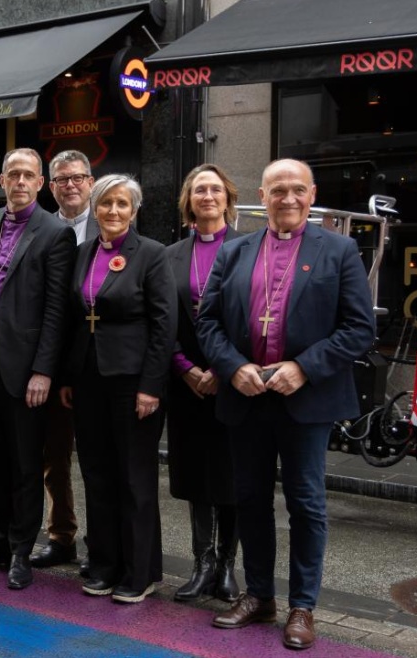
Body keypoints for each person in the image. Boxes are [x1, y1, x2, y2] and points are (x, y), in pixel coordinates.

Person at [197, 159, 375, 650]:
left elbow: (360, 328)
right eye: (278, 190)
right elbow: (207, 321)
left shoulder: (339, 251)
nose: (288, 199)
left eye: (297, 190)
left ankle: (302, 606)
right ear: (263, 194)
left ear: (312, 194)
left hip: (305, 400)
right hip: (247, 395)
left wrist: (305, 366)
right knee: (250, 499)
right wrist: (233, 367)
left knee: (306, 504)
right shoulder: (234, 252)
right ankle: (259, 596)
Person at [0, 148, 75, 590]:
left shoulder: (55, 232)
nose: (21, 182)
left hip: (26, 369)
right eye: (14, 175)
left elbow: (55, 311)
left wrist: (44, 370)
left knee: (25, 462)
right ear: (2, 180)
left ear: (41, 183)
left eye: (29, 175)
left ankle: (22, 551)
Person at [59, 174, 176, 604]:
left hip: (133, 383)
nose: (112, 211)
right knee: (97, 474)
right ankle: (105, 562)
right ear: (95, 205)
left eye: (122, 204)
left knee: (134, 477)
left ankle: (140, 571)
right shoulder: (83, 252)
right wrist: (70, 377)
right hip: (88, 379)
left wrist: (151, 386)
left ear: (134, 210)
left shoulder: (152, 255)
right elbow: (75, 317)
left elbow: (165, 325)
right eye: (105, 203)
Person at [164, 164, 243, 603]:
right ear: (189, 201)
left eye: (215, 189)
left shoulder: (249, 248)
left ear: (227, 198)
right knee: (196, 476)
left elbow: (253, 317)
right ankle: (202, 563)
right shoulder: (171, 254)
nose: (207, 196)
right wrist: (183, 367)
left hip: (232, 381)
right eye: (199, 190)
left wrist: (223, 369)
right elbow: (164, 318)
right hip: (187, 382)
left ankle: (228, 567)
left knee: (230, 476)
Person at [31, 149, 97, 571]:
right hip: (52, 361)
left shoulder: (114, 221)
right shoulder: (41, 229)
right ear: (50, 186)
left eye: (77, 177)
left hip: (98, 361)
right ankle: (61, 536)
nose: (70, 185)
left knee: (98, 458)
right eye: (61, 179)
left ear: (91, 181)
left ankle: (104, 542)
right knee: (54, 456)